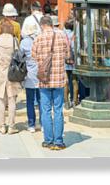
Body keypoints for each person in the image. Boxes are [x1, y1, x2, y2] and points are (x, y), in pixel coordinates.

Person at [31, 14, 71, 150]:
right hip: (59, 78)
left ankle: (48, 140)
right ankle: (59, 141)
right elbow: (67, 55)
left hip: (45, 80)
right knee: (58, 110)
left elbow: (34, 56)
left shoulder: (38, 38)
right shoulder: (61, 36)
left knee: (46, 110)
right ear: (52, 24)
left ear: (42, 25)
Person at [0, 18, 22, 134]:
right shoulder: (14, 41)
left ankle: (2, 126)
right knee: (12, 99)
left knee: (1, 100)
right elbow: (18, 56)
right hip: (12, 72)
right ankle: (12, 126)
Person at [20, 18, 40, 133]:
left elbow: (20, 56)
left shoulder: (24, 42)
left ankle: (31, 124)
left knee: (30, 101)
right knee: (42, 101)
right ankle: (43, 123)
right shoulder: (40, 39)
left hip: (29, 74)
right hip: (41, 73)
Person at [63, 19, 77, 106]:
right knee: (75, 81)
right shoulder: (75, 35)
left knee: (66, 81)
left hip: (64, 60)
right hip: (74, 60)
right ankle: (75, 101)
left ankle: (66, 102)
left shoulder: (62, 35)